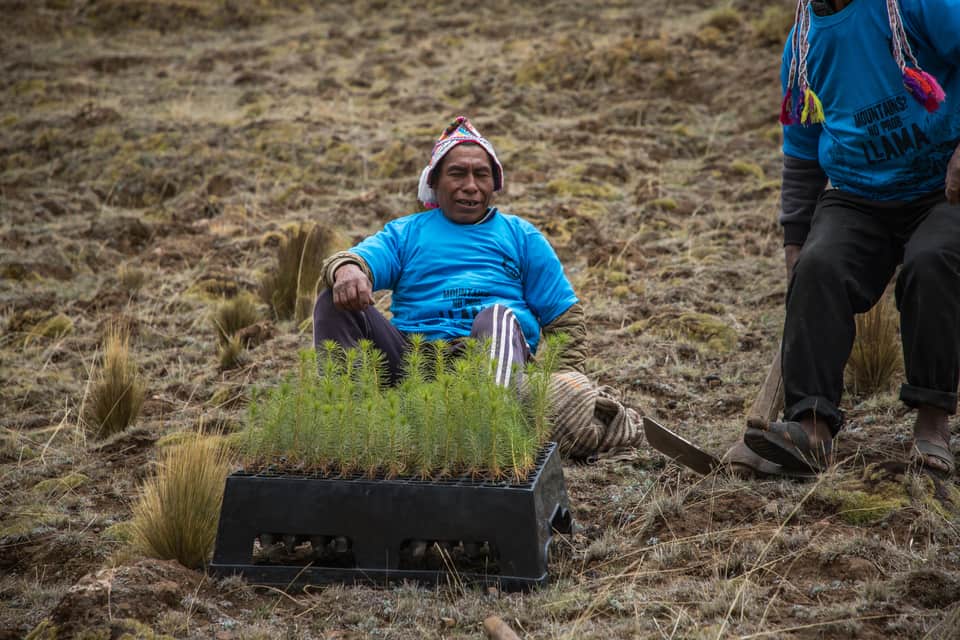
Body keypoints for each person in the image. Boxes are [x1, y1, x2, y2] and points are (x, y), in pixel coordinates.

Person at [732, 0, 960, 477]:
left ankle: (932, 419)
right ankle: (810, 429)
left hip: (942, 183)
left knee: (932, 260)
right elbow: (800, 154)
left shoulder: (918, 6)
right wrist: (796, 244)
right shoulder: (802, 45)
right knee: (818, 269)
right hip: (858, 194)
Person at [312, 116, 586, 386]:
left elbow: (565, 317)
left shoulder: (522, 236)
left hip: (498, 361)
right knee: (333, 300)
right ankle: (358, 418)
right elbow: (355, 260)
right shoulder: (406, 233)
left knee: (497, 316)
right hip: (415, 362)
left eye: (481, 175)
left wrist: (568, 385)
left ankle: (497, 414)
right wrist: (348, 270)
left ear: (494, 184)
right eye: (457, 173)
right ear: (434, 181)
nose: (470, 186)